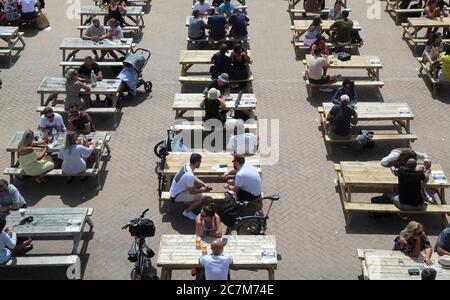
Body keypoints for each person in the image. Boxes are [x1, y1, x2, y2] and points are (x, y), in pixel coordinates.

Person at [169, 153, 213, 221]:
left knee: (199, 185)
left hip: (175, 190)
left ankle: (188, 201)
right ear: (197, 162)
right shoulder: (189, 175)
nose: (200, 163)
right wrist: (204, 191)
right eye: (200, 162)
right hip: (175, 196)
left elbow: (193, 177)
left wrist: (203, 184)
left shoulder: (187, 165)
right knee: (200, 198)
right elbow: (192, 191)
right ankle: (187, 212)